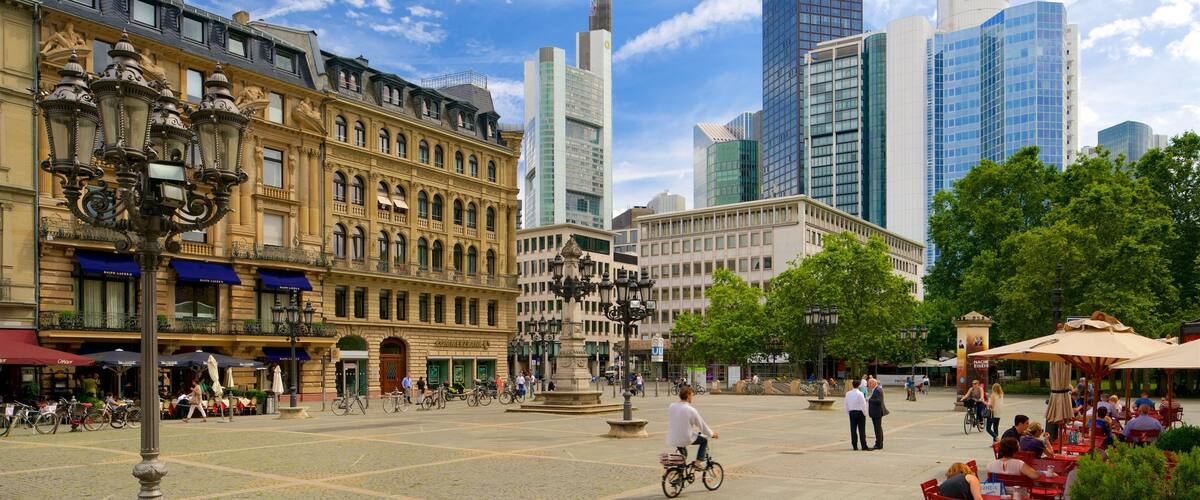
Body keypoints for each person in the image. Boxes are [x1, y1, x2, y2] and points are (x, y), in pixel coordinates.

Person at [666, 386, 717, 469]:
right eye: (692, 395)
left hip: (673, 437)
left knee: (683, 455)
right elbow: (702, 426)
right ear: (688, 395)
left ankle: (679, 475)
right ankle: (698, 463)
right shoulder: (691, 410)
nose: (692, 397)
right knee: (704, 441)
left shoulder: (672, 406)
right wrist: (712, 434)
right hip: (685, 437)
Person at [845, 379, 869, 451]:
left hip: (852, 412)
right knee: (861, 429)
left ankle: (854, 445)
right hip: (859, 412)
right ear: (859, 385)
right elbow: (863, 404)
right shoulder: (860, 393)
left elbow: (846, 404)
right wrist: (865, 413)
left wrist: (848, 412)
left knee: (853, 429)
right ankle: (863, 445)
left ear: (852, 385)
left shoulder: (848, 393)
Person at [867, 378, 888, 450]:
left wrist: (869, 400)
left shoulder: (878, 390)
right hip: (876, 412)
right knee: (878, 428)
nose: (868, 385)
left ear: (873, 383)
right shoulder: (876, 389)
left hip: (877, 412)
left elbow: (879, 401)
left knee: (877, 428)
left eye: (869, 383)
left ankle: (878, 444)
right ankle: (879, 443)